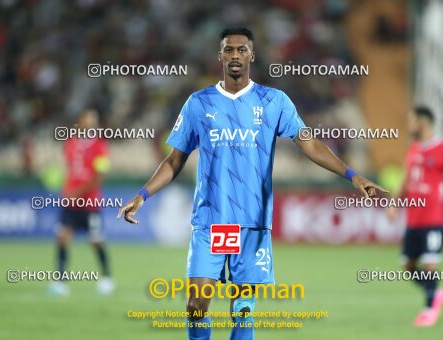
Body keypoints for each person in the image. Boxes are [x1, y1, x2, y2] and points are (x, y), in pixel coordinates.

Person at [117, 28, 386, 340]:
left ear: (252, 55)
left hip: (252, 223)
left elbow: (309, 144)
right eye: (229, 50)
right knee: (195, 304)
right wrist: (142, 194)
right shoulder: (199, 103)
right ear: (220, 56)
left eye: (241, 50)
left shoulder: (274, 101)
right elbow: (175, 160)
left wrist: (353, 176)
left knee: (242, 309)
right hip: (211, 221)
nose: (235, 55)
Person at [388, 106, 443, 327]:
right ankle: (435, 293)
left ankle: (429, 309)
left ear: (422, 122)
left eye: (411, 120)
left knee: (430, 264)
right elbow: (406, 179)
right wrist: (394, 203)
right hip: (414, 219)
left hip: (434, 219)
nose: (408, 125)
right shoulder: (413, 149)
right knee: (408, 266)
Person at [50, 109, 115, 296]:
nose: (91, 122)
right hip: (70, 202)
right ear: (80, 121)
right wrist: (66, 189)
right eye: (88, 118)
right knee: (62, 238)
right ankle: (60, 282)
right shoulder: (71, 143)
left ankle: (107, 278)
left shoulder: (100, 145)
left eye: (94, 119)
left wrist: (78, 193)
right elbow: (69, 170)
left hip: (89, 204)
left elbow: (100, 176)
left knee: (95, 240)